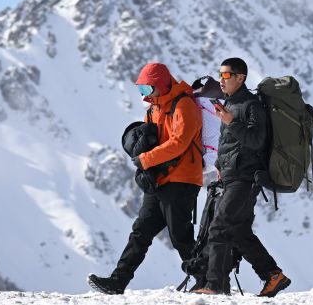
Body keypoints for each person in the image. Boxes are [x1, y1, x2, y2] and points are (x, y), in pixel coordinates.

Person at [88, 62, 204, 295]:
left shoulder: (184, 105)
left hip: (182, 180)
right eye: (141, 89)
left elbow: (179, 143)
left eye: (147, 88)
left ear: (161, 84)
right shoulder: (153, 109)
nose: (144, 94)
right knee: (140, 232)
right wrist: (144, 161)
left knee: (180, 236)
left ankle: (208, 281)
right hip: (160, 180)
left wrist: (146, 159)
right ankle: (117, 282)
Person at [192, 58, 291, 297]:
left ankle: (215, 284)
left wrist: (232, 122)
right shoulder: (230, 104)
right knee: (239, 232)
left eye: (226, 75)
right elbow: (228, 143)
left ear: (241, 78)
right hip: (231, 176)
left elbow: (256, 141)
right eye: (220, 75)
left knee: (219, 227)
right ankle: (272, 275)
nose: (221, 80)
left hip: (245, 178)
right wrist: (219, 165)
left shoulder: (251, 105)